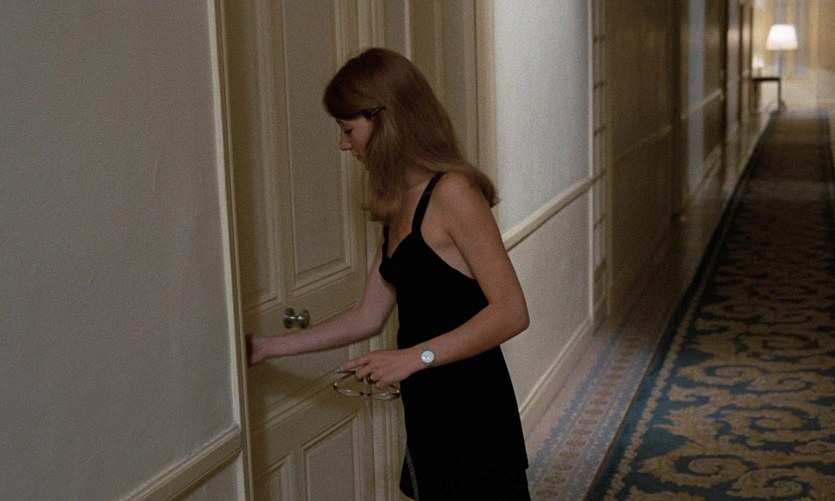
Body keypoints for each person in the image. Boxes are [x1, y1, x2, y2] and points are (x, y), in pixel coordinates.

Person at [248, 47, 531, 500]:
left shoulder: (453, 192)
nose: (344, 144)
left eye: (348, 130)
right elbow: (367, 316)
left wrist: (413, 357)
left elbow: (512, 312)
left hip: (474, 408)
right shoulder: (398, 200)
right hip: (428, 407)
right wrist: (268, 347)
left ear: (385, 120)